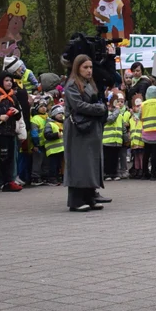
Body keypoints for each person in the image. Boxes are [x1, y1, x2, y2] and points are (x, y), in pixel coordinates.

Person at [63, 54, 111, 211]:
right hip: (78, 129)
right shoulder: (72, 85)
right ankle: (76, 200)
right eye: (85, 67)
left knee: (91, 163)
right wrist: (100, 109)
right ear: (77, 68)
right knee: (79, 163)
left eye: (90, 67)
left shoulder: (89, 84)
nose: (89, 70)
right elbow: (78, 105)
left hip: (91, 128)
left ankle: (90, 196)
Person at [0, 72, 23, 192]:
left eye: (10, 81)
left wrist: (16, 112)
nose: (9, 83)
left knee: (9, 158)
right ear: (1, 81)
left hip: (10, 131)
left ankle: (8, 182)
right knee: (0, 156)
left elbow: (19, 115)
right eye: (6, 80)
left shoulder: (13, 97)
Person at [43, 103, 65, 184]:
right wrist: (56, 135)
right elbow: (46, 135)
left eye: (62, 113)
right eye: (58, 113)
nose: (61, 115)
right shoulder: (50, 124)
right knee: (53, 165)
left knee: (59, 165)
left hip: (61, 149)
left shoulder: (63, 124)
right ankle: (52, 178)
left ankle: (58, 177)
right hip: (53, 150)